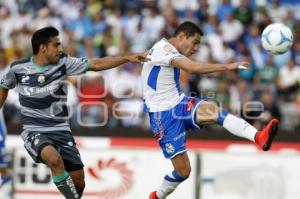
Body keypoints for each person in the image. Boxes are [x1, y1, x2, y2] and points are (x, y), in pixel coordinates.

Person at [0, 26, 148, 199]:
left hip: (61, 131)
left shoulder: (63, 63)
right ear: (43, 48)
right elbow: (4, 86)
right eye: (56, 45)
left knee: (79, 182)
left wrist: (127, 58)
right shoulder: (18, 68)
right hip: (35, 130)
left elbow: (96, 64)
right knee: (54, 160)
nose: (60, 49)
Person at [142, 21, 279, 199]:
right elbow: (192, 68)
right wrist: (227, 66)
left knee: (216, 112)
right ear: (182, 36)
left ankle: (258, 137)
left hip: (180, 103)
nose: (196, 48)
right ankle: (157, 196)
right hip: (163, 116)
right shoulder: (164, 49)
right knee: (183, 171)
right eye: (195, 42)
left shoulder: (166, 49)